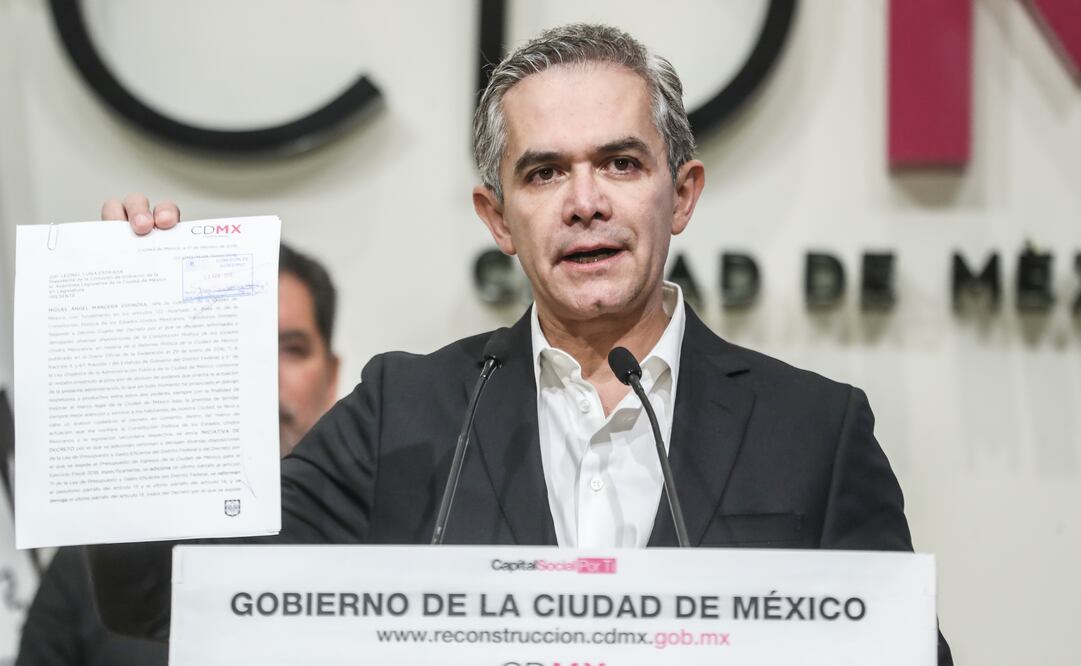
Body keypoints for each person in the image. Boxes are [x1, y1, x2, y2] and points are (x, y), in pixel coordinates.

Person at [87, 24, 951, 663]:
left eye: (620, 163)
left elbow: (905, 652)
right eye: (543, 172)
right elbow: (169, 591)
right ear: (497, 217)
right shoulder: (406, 413)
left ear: (680, 194)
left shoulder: (813, 427)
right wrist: (149, 353)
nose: (584, 202)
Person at [16, 245, 339, 665]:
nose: (261, 376)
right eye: (233, 343)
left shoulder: (382, 541)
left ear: (332, 376)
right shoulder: (97, 560)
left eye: (291, 349)